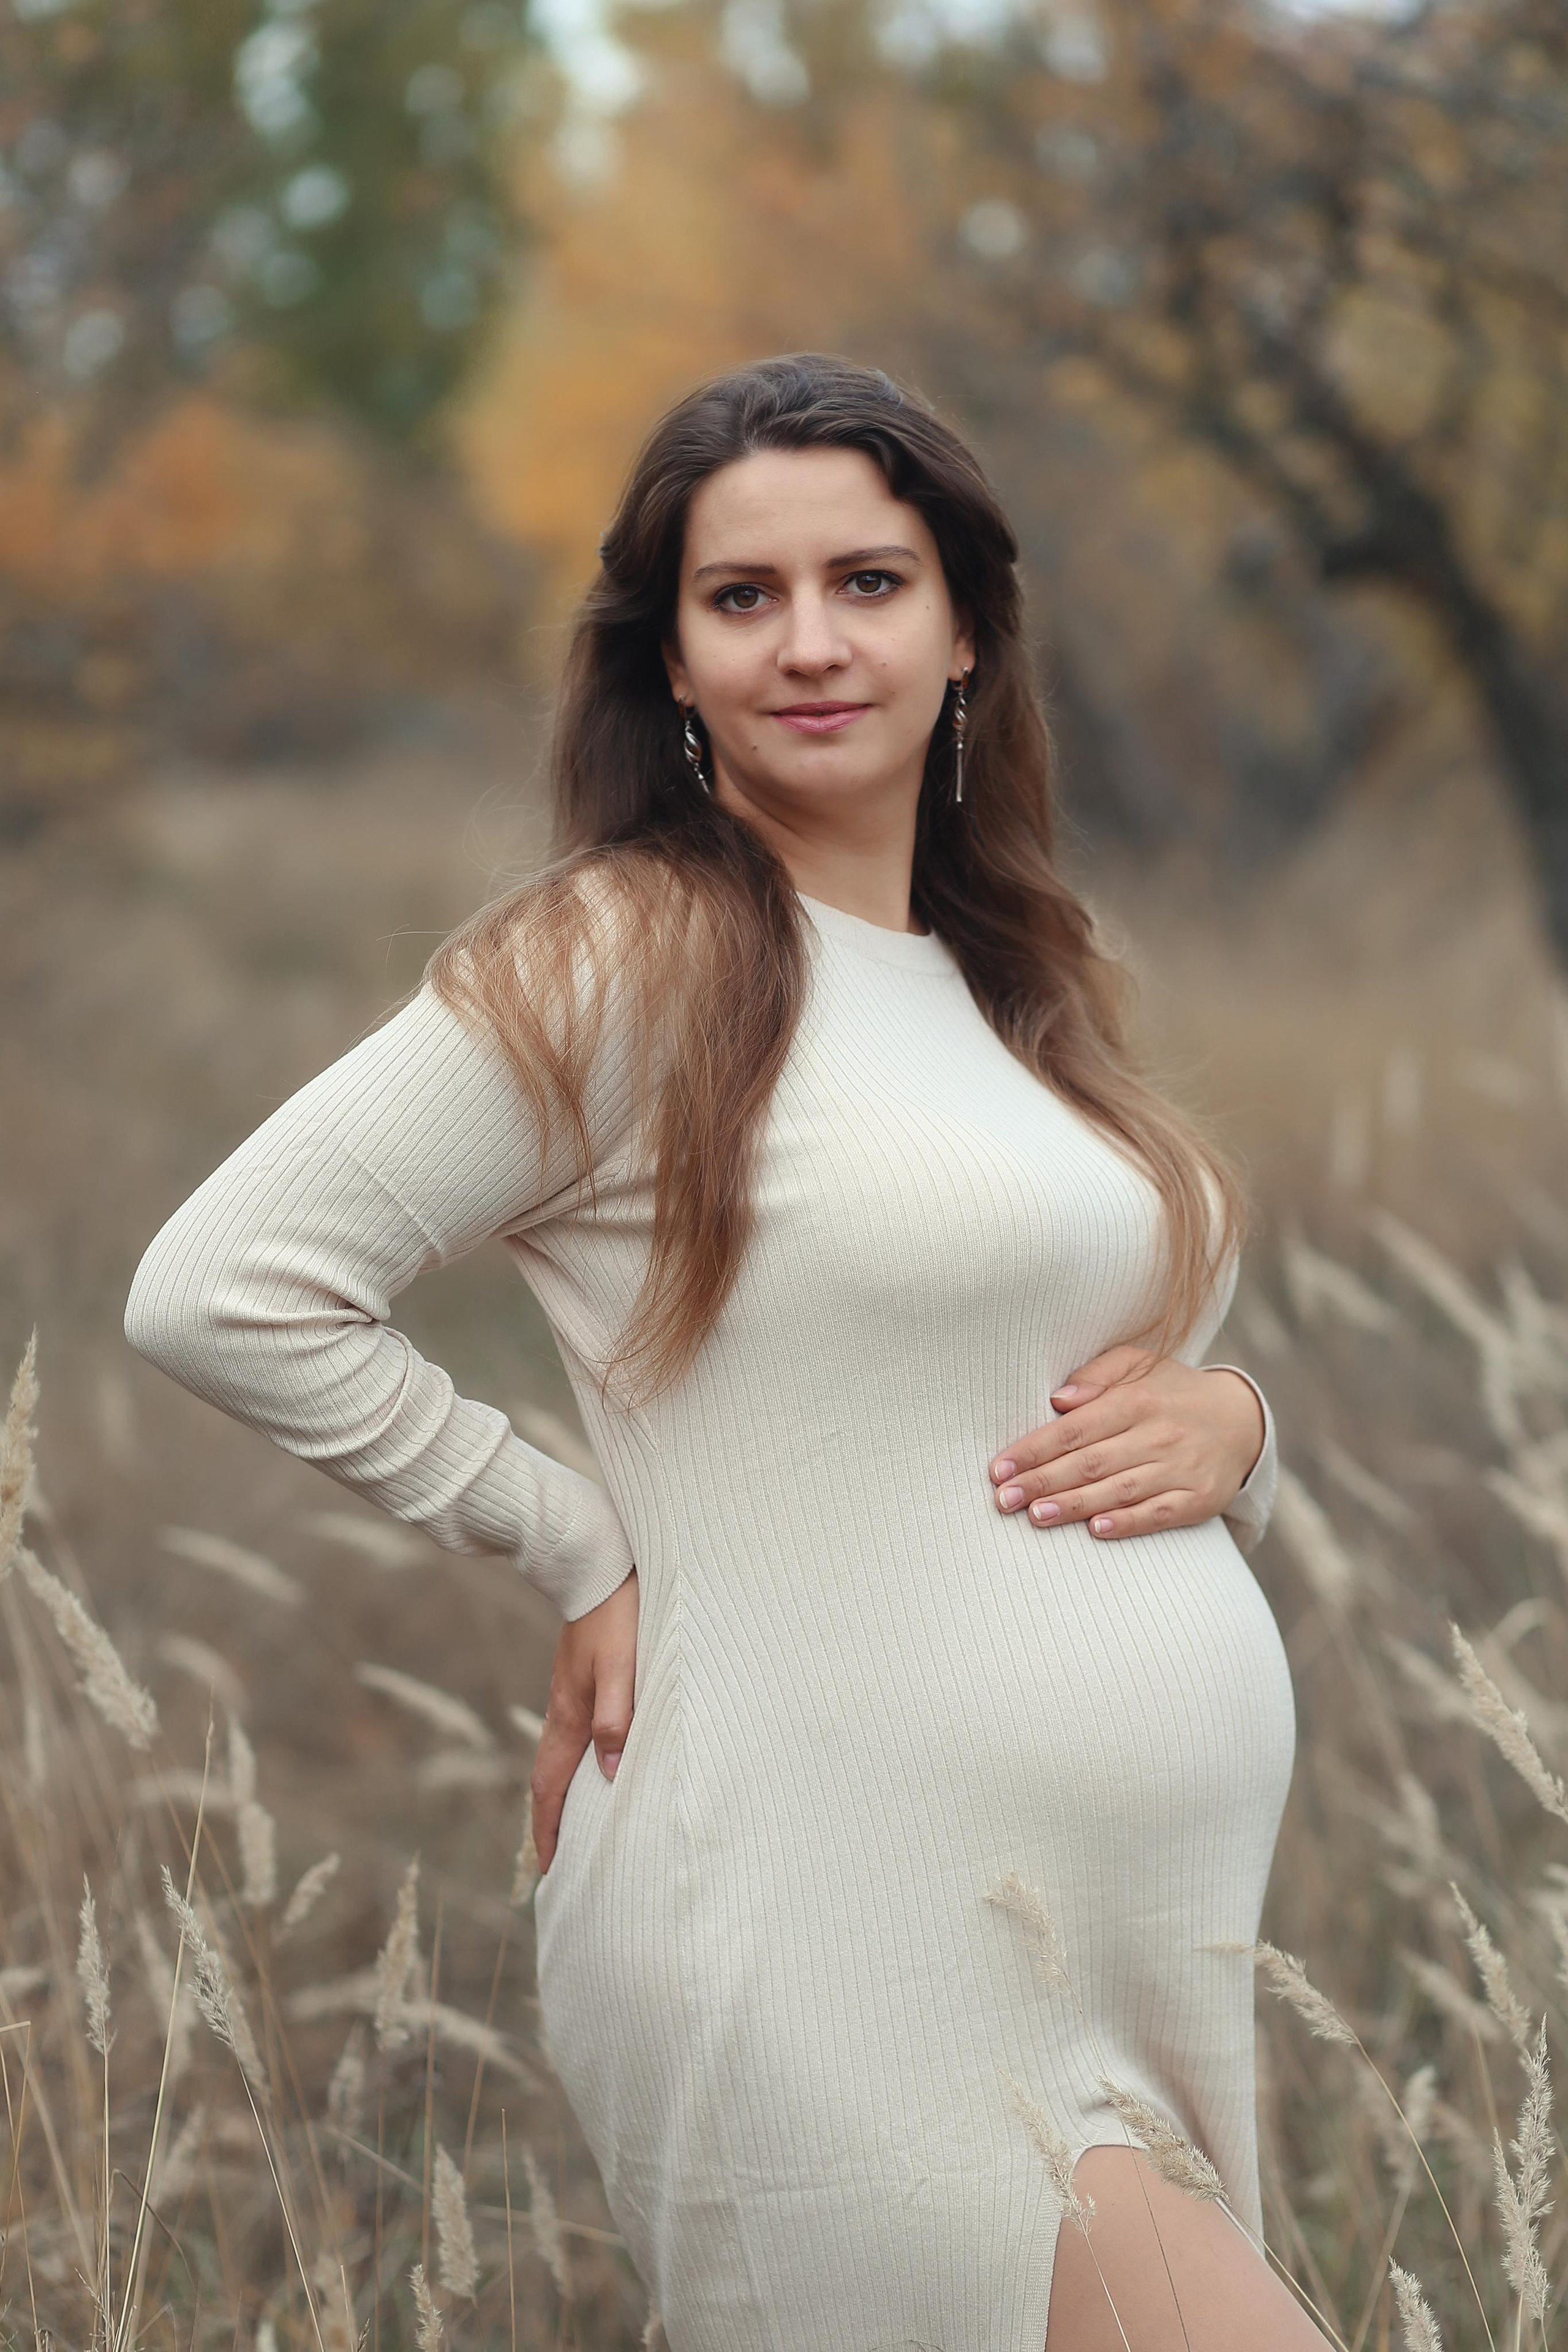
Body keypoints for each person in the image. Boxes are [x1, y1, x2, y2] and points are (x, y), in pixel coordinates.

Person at [126, 352, 1322, 2350]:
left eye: (869, 581)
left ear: (964, 632)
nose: (810, 644)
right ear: (669, 663)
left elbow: (1072, 1371)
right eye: (740, 598)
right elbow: (224, 1280)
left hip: (1115, 1942)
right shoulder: (626, 953)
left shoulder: (1013, 976)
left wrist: (1243, 1429)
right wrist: (565, 1535)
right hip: (831, 1923)